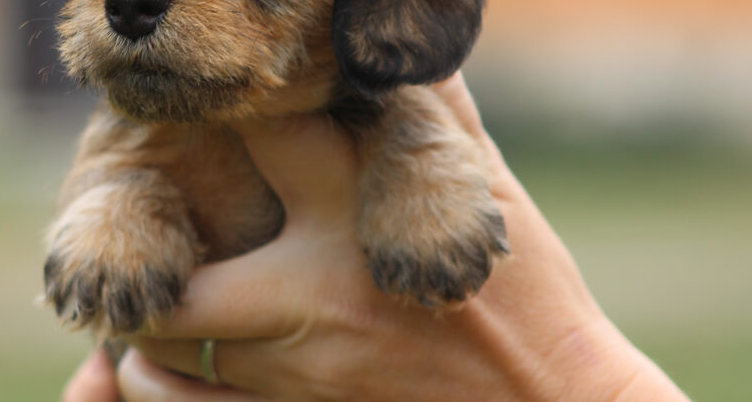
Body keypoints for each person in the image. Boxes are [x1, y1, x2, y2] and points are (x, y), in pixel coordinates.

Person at [62, 74, 688, 401]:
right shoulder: (143, 119)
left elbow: (403, 104)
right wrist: (125, 206)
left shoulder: (399, 114)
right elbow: (108, 184)